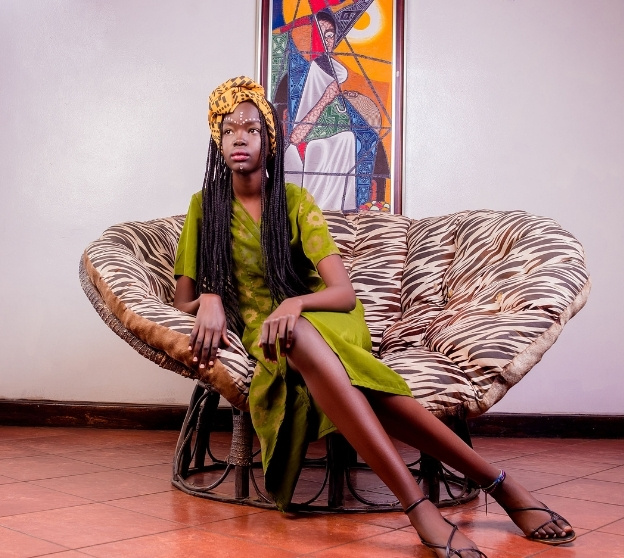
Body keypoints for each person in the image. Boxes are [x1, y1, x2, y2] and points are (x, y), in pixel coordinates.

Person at [172, 76, 576, 558]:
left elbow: (342, 294)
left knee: (299, 334)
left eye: (252, 129)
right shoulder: (204, 208)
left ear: (270, 140)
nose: (239, 137)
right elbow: (183, 302)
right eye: (228, 130)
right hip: (272, 337)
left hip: (327, 319)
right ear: (217, 142)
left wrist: (295, 302)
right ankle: (500, 485)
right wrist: (210, 297)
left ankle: (419, 509)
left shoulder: (294, 202)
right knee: (341, 372)